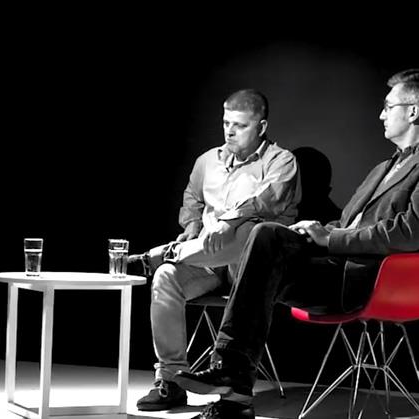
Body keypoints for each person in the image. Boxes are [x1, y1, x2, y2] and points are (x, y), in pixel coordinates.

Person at [173, 68, 419, 419]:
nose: (381, 114)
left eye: (388, 106)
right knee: (268, 234)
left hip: (371, 279)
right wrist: (318, 229)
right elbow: (349, 223)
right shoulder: (384, 167)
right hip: (337, 267)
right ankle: (233, 382)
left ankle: (232, 377)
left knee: (265, 240)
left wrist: (331, 238)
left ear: (413, 111)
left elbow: (410, 232)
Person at [133, 89, 301, 411]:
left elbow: (267, 202)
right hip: (207, 264)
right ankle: (170, 380)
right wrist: (192, 225)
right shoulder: (207, 161)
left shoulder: (281, 161)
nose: (230, 131)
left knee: (249, 230)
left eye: (240, 125)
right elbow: (192, 199)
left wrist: (229, 221)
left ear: (261, 126)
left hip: (250, 268)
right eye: (226, 123)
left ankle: (166, 253)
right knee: (165, 276)